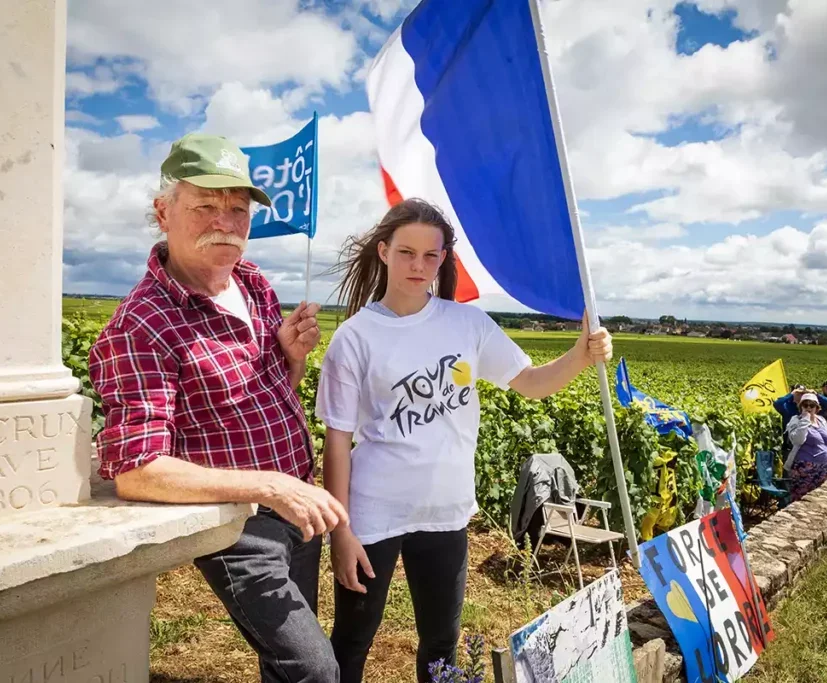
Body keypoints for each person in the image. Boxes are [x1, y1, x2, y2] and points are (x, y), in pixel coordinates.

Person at [315, 199, 614, 683]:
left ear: (443, 261)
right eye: (407, 252)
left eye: (430, 256)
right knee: (353, 639)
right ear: (384, 251)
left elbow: (532, 383)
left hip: (446, 513)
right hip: (373, 514)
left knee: (441, 644)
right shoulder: (355, 338)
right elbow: (337, 441)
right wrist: (341, 530)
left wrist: (580, 354)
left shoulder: (468, 325)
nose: (418, 266)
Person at [89, 134, 346, 683]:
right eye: (205, 205)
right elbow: (137, 471)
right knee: (314, 669)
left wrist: (292, 358)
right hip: (239, 523)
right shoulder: (142, 325)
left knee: (285, 662)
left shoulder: (252, 283)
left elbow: (272, 392)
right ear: (163, 211)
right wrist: (272, 487)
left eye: (237, 208)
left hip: (296, 504)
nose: (225, 222)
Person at [783, 392, 827, 502]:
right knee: (801, 499)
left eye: (812, 405)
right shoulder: (796, 420)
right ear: (800, 407)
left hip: (823, 466)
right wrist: (805, 420)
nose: (809, 408)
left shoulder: (821, 420)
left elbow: (825, 440)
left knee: (818, 498)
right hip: (804, 467)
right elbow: (798, 440)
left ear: (817, 408)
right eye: (805, 405)